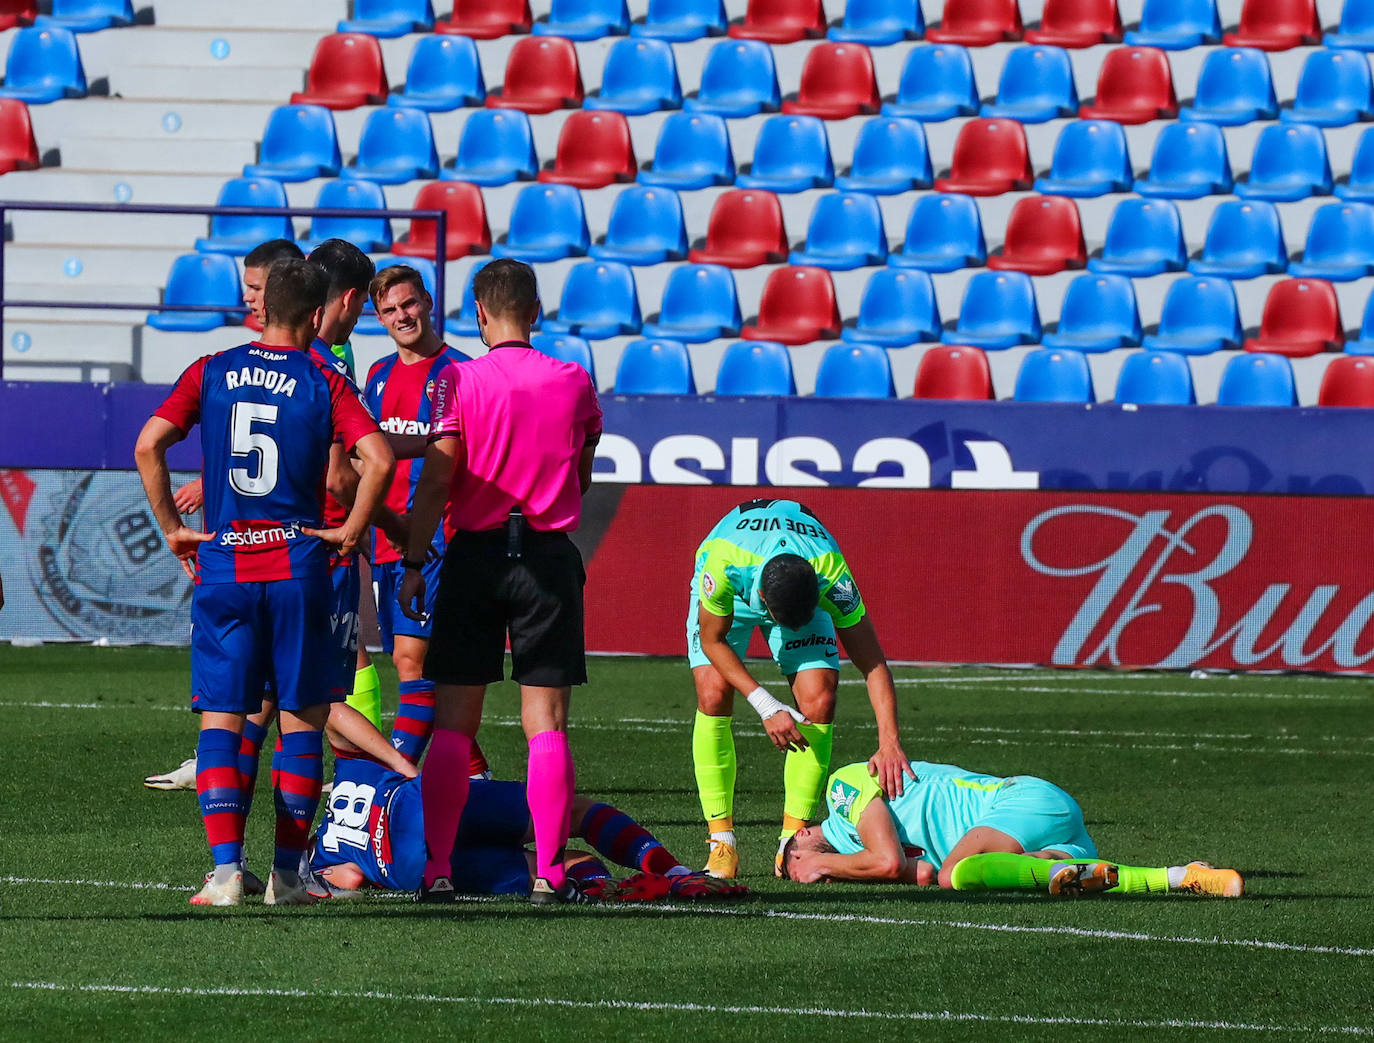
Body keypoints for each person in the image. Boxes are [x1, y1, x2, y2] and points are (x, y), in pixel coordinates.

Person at [134, 258, 394, 907]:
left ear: (260, 308)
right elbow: (380, 459)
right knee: (302, 724)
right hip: (297, 568)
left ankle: (225, 873)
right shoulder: (323, 379)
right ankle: (286, 875)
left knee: (224, 719)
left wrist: (174, 528)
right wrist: (352, 529)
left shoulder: (211, 369)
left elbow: (147, 445)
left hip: (224, 568)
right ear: (315, 316)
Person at [398, 258, 603, 905]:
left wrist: (410, 559)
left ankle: (436, 869)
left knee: (455, 723)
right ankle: (549, 872)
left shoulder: (456, 380)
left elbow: (437, 477)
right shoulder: (574, 381)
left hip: (474, 554)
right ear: (535, 313)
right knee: (546, 722)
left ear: (479, 314)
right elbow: (583, 474)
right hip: (545, 556)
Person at [308, 700, 745, 903]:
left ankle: (597, 887)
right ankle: (676, 872)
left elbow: (348, 880)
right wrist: (401, 764)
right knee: (568, 813)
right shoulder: (349, 773)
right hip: (421, 803)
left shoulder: (325, 857)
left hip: (410, 866)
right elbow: (332, 713)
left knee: (548, 866)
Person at [688, 498, 911, 880]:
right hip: (734, 591)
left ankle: (793, 842)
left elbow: (873, 662)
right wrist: (764, 703)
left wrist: (889, 741)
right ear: (764, 602)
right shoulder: (724, 564)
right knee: (713, 694)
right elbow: (713, 640)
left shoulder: (832, 577)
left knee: (820, 700)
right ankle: (721, 842)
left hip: (798, 582)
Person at [780, 759, 1244, 898]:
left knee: (952, 873)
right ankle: (1186, 876)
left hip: (1023, 801)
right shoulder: (856, 855)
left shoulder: (842, 791)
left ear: (800, 835)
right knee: (955, 875)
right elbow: (912, 873)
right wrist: (833, 868)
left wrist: (821, 863)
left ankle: (1040, 864)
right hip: (1037, 835)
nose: (793, 867)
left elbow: (887, 861)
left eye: (788, 859)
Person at [362, 264, 481, 769]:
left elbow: (465, 452)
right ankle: (474, 771)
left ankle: (394, 768)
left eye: (408, 304)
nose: (401, 316)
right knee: (409, 662)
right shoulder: (377, 375)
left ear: (428, 302)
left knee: (415, 662)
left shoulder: (462, 372)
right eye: (389, 310)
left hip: (438, 538)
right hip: (388, 536)